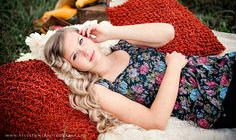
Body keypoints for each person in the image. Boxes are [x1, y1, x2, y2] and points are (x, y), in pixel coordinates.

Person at [44, 23, 236, 133]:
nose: (85, 52)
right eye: (75, 56)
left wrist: (110, 32)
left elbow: (167, 32)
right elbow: (156, 121)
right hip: (218, 99)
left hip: (223, 66)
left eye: (81, 41)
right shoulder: (100, 89)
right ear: (71, 66)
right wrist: (174, 68)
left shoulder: (122, 45)